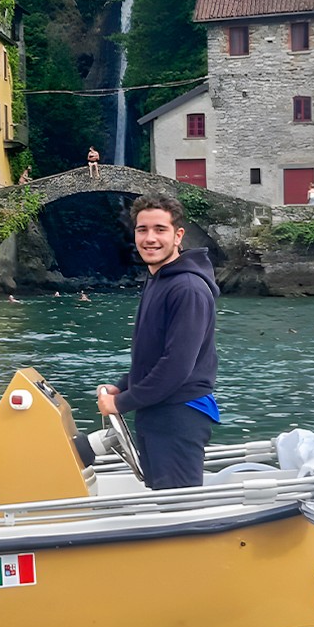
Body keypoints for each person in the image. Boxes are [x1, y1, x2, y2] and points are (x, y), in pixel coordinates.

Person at [83, 192, 219, 490]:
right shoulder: (159, 280)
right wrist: (124, 384)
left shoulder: (187, 288)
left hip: (179, 415)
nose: (150, 238)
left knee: (179, 513)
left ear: (178, 235)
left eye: (160, 229)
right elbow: (153, 354)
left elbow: (176, 366)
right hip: (157, 412)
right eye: (142, 230)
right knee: (163, 501)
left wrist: (120, 402)